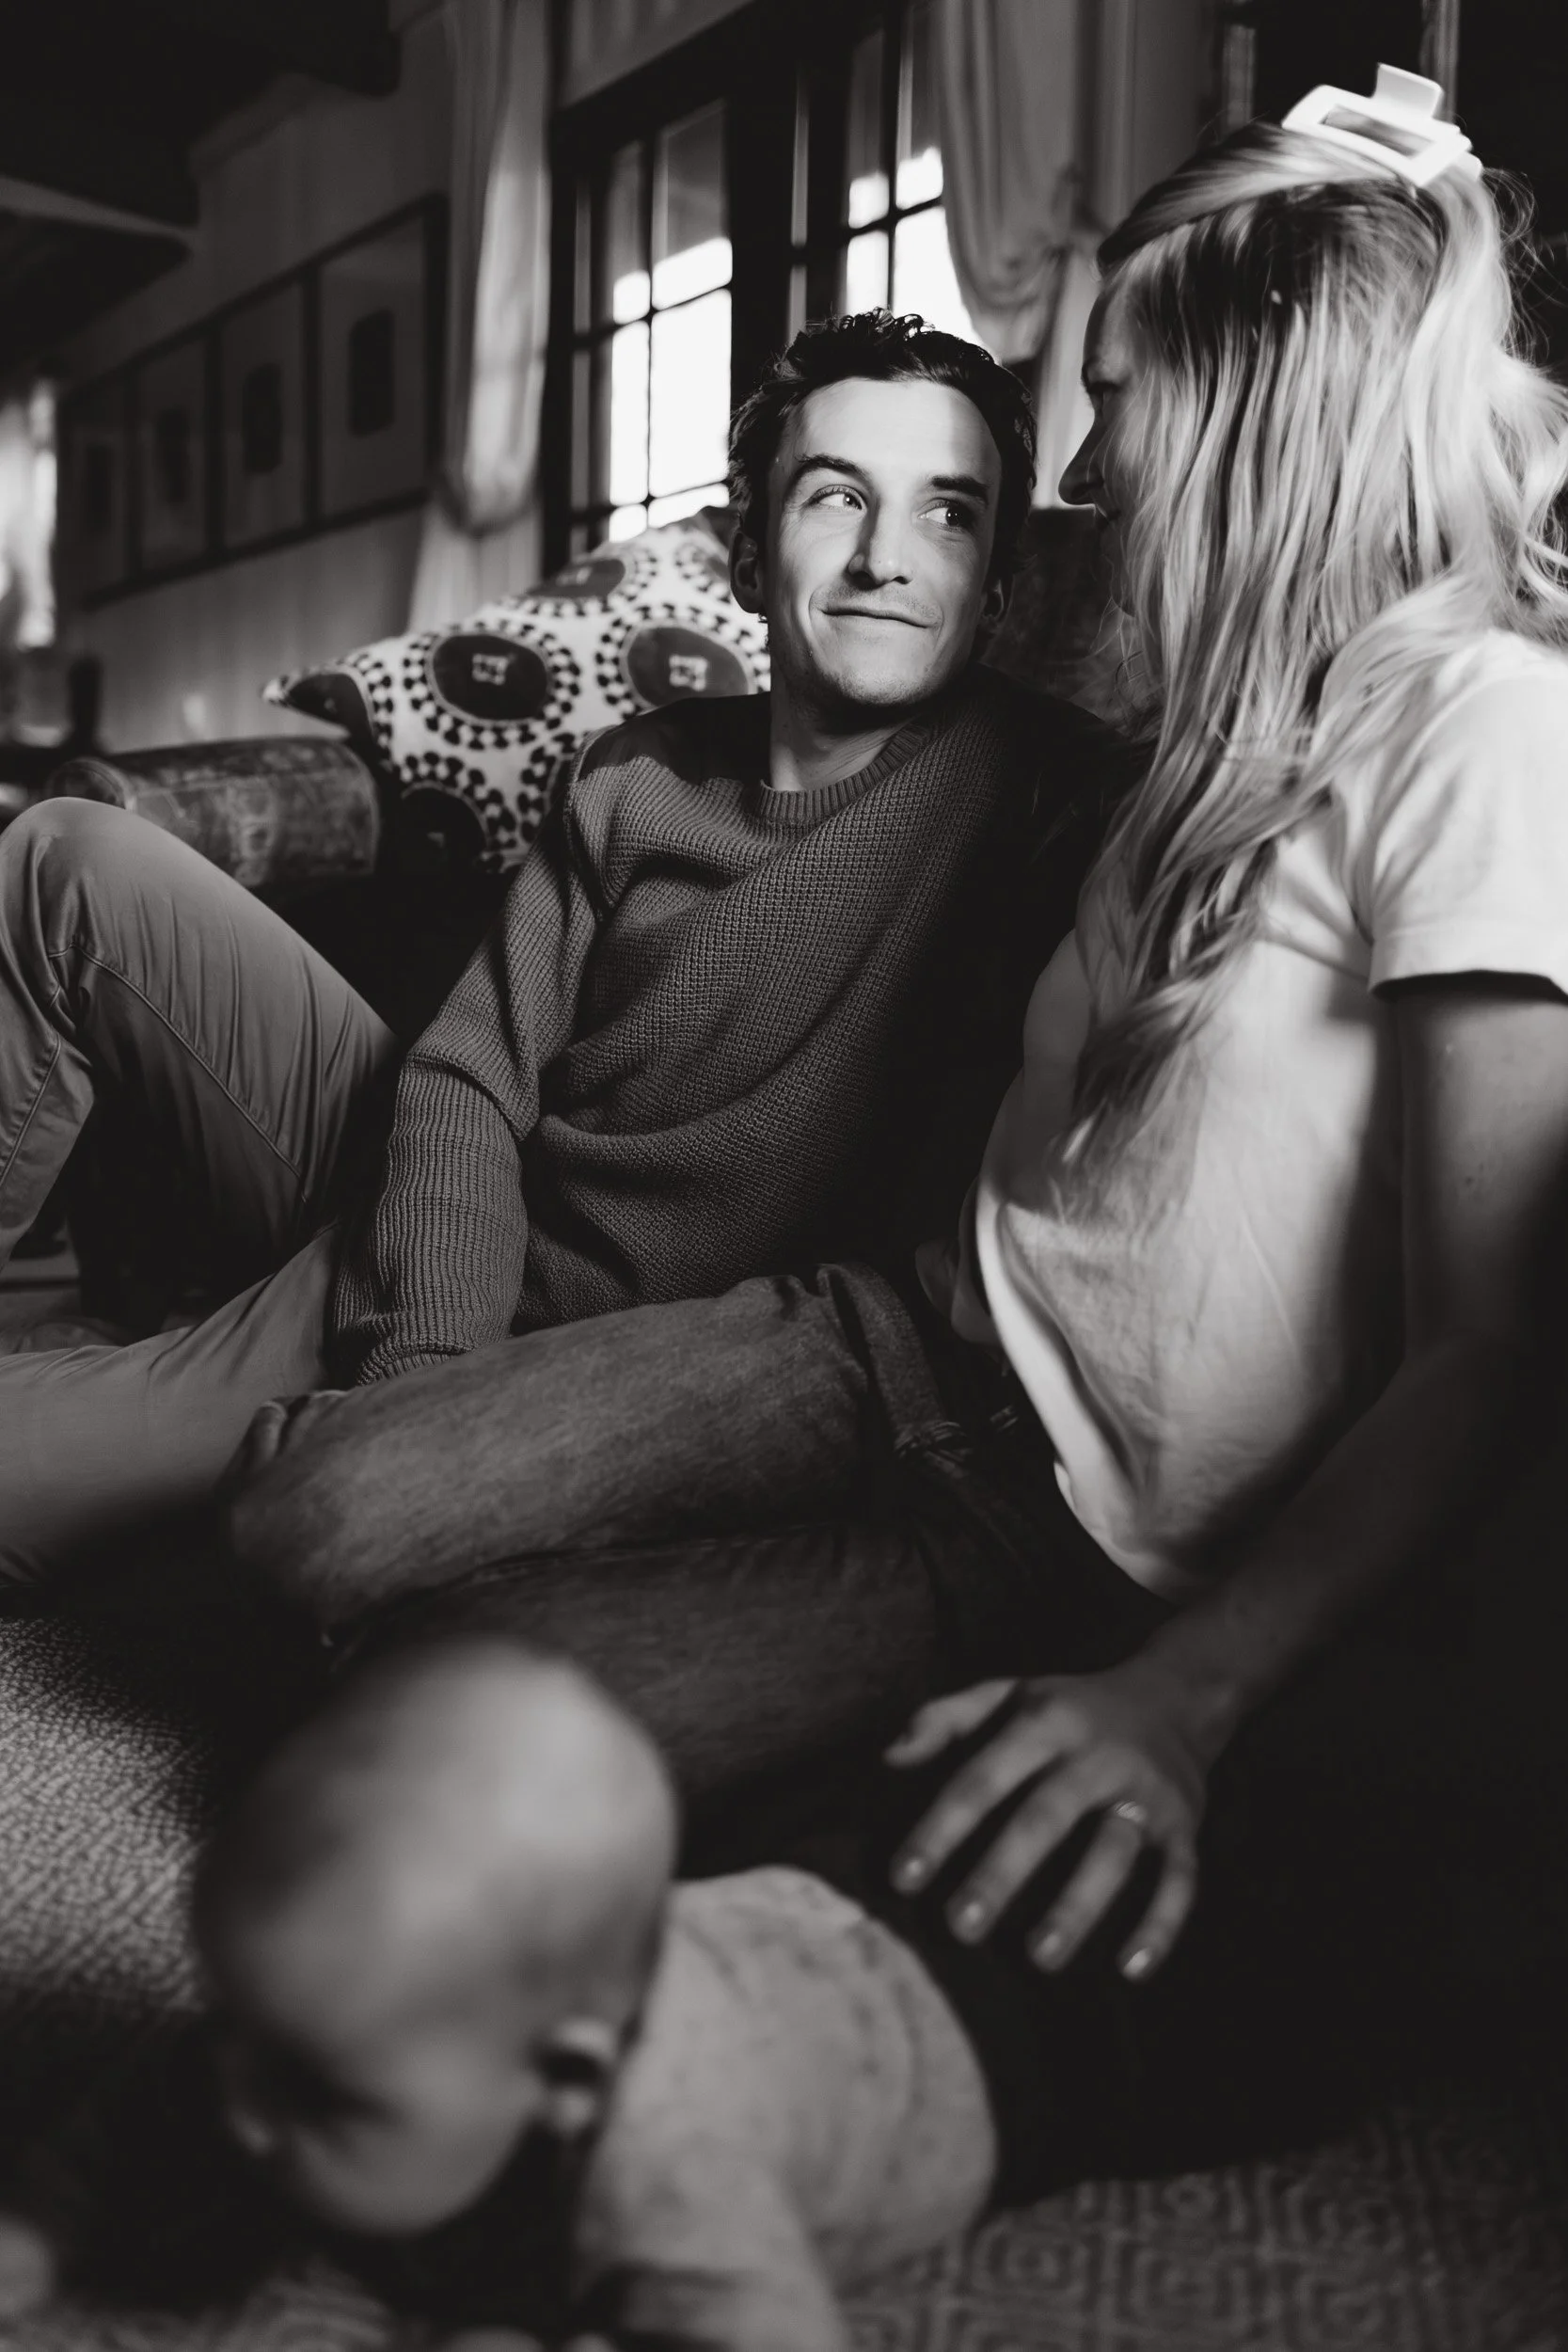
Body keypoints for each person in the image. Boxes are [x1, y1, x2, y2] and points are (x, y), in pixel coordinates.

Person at [232, 82, 1568, 2017]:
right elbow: (482, 1071)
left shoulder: (1484, 734)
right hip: (878, 1336)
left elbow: (1482, 1346)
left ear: (1251, 395)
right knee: (302, 1514)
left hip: (1049, 1522)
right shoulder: (1216, 722)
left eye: (1115, 393)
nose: (1086, 468)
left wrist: (1181, 1699)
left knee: (407, 1763)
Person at [0, 311, 1110, 1589]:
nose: (884, 559)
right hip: (421, 1239)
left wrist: (458, 1445)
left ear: (1003, 584)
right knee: (66, 852)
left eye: (947, 514)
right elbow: (465, 1082)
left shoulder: (1051, 805)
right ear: (749, 555)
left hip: (576, 1351)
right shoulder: (637, 771)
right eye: (833, 498)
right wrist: (422, 1374)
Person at [0, 1637, 996, 2352]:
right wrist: (40, 2220)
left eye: (316, 2091)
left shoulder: (675, 2171)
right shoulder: (316, 2039)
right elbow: (148, 2113)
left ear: (566, 2080)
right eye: (233, 2024)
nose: (236, 2108)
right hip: (795, 1916)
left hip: (983, 2038)